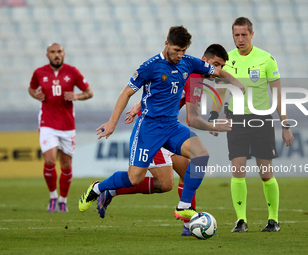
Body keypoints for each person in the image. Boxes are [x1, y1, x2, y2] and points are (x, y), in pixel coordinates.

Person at [78, 26, 245, 223]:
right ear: (166, 44)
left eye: (183, 50)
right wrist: (112, 122)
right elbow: (126, 93)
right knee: (134, 178)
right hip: (149, 128)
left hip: (171, 127)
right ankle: (97, 188)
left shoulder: (189, 63)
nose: (180, 55)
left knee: (201, 155)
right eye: (177, 50)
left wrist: (239, 85)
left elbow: (216, 72)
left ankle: (183, 208)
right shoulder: (150, 66)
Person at [96, 44, 230, 236]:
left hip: (168, 127)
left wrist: (139, 105)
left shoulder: (194, 76)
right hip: (155, 130)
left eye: (222, 66)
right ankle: (109, 190)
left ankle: (187, 224)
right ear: (205, 60)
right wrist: (214, 126)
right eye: (216, 64)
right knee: (156, 180)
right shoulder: (193, 76)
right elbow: (189, 116)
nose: (218, 70)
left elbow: (162, 92)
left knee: (176, 177)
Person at [209, 17, 294, 232]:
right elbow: (219, 92)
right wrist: (212, 117)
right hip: (236, 121)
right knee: (238, 170)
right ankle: (240, 221)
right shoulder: (226, 61)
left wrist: (285, 124)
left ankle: (273, 220)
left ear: (252, 34)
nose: (240, 39)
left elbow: (277, 95)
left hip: (261, 121)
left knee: (265, 173)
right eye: (236, 35)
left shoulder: (266, 59)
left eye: (243, 35)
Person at [29, 43, 93, 213]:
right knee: (50, 160)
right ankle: (53, 196)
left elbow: (89, 92)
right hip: (47, 123)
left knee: (66, 165)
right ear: (47, 55)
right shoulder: (39, 73)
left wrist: (77, 96)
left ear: (63, 54)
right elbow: (31, 88)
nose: (56, 55)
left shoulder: (72, 72)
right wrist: (35, 94)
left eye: (59, 52)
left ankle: (63, 200)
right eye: (53, 52)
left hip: (67, 125)